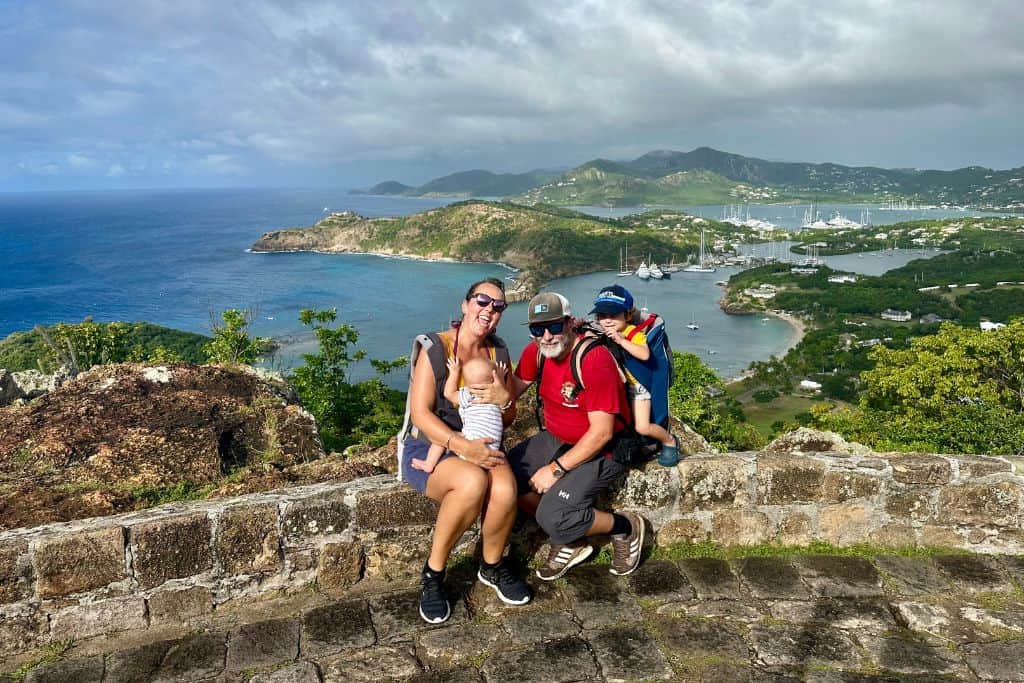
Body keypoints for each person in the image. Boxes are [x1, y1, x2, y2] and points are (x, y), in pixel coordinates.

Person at [399, 278, 531, 624]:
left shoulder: (498, 353)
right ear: (465, 304)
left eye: (498, 306)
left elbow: (508, 415)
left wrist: (507, 401)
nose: (489, 310)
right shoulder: (436, 348)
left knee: (504, 488)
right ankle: (434, 574)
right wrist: (460, 447)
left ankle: (491, 565)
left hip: (483, 440)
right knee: (472, 482)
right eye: (482, 301)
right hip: (432, 444)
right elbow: (421, 413)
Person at [506, 292, 645, 581]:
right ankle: (572, 539)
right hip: (557, 436)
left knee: (552, 516)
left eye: (554, 327)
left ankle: (624, 527)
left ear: (569, 323)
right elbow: (511, 393)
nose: (546, 336)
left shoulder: (593, 359)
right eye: (537, 329)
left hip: (606, 447)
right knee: (505, 478)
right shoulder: (537, 352)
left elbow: (602, 432)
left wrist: (555, 470)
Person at [590, 284, 680, 465]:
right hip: (622, 389)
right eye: (602, 316)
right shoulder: (603, 332)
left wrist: (621, 340)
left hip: (639, 389)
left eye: (613, 315)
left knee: (642, 426)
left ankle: (669, 441)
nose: (607, 321)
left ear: (628, 315)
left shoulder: (633, 332)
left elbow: (645, 354)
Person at [412, 356, 506, 474]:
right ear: (494, 378)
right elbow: (501, 388)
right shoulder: (496, 395)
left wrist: (454, 372)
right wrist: (501, 377)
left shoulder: (469, 395)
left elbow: (448, 393)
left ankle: (429, 463)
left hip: (473, 445)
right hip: (493, 448)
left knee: (441, 437)